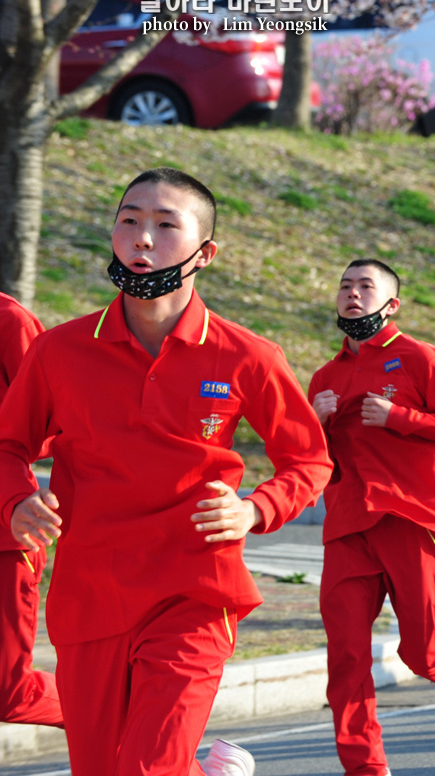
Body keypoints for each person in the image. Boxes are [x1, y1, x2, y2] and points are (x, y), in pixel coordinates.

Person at [0, 168, 334, 776]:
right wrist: (16, 500)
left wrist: (254, 509)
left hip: (195, 591)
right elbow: (8, 444)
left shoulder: (247, 355)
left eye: (163, 224)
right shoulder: (59, 350)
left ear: (205, 254)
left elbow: (309, 459)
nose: (141, 238)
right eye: (128, 221)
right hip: (90, 595)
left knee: (147, 769)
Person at [309, 258, 435, 776]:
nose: (352, 295)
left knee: (420, 650)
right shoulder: (324, 378)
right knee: (347, 658)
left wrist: (399, 417)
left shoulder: (421, 358)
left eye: (365, 287)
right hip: (346, 526)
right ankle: (366, 768)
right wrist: (314, 422)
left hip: (411, 517)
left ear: (392, 303)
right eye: (344, 286)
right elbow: (308, 459)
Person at [0, 291, 61, 730]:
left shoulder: (9, 322)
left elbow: (51, 423)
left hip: (5, 534)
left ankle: (140, 711)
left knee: (9, 694)